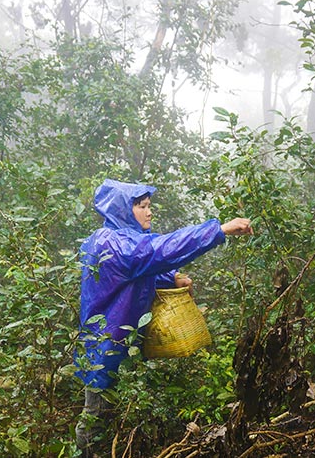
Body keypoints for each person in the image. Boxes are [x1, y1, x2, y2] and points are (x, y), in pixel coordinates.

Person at [74, 179, 252, 452]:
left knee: (113, 416)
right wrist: (219, 229)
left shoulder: (116, 239)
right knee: (96, 420)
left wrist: (171, 278)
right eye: (142, 207)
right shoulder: (116, 244)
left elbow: (134, 271)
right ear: (122, 211)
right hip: (106, 348)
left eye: (149, 206)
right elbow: (158, 251)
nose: (149, 212)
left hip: (118, 344)